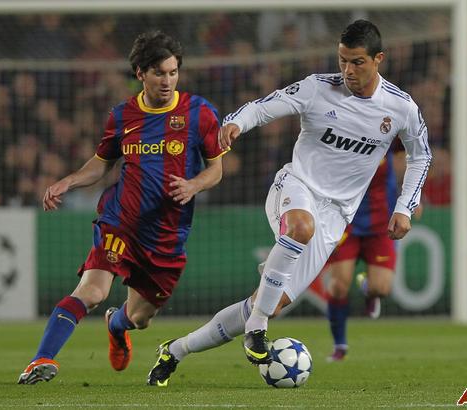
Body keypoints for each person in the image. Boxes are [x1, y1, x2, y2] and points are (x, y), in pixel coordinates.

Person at [147, 19, 431, 387]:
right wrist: (236, 123)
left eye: (358, 62)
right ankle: (257, 329)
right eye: (343, 60)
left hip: (336, 217)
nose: (348, 70)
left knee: (267, 302)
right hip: (295, 186)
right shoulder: (318, 88)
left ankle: (176, 350)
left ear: (379, 59)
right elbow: (265, 106)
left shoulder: (400, 107)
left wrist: (405, 206)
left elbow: (421, 156)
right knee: (300, 228)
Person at [17, 30, 226, 385]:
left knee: (141, 319)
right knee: (91, 292)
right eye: (159, 73)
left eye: (173, 72)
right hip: (122, 221)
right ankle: (41, 359)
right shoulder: (123, 115)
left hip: (166, 234)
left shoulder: (199, 113)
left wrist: (194, 184)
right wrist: (69, 181)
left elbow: (216, 170)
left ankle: (116, 325)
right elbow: (102, 163)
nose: (167, 81)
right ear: (140, 73)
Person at [323, 149, 399, 362]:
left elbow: (411, 158)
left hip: (381, 223)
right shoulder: (341, 138)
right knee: (339, 286)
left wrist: (412, 198)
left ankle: (368, 288)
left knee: (381, 288)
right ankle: (339, 345)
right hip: (346, 222)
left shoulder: (388, 136)